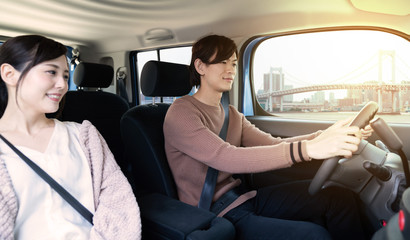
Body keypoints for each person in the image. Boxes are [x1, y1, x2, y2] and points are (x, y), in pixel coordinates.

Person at [163, 34, 374, 240]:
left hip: (244, 197)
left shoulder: (232, 115)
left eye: (234, 64)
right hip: (216, 213)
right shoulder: (182, 112)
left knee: (338, 198)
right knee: (314, 234)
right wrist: (309, 149)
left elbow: (274, 144)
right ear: (200, 67)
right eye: (222, 62)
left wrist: (326, 135)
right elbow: (225, 156)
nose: (230, 70)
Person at [0, 35, 141, 239]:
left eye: (66, 76)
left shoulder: (83, 135)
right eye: (51, 72)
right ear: (9, 74)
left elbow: (119, 203)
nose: (62, 85)